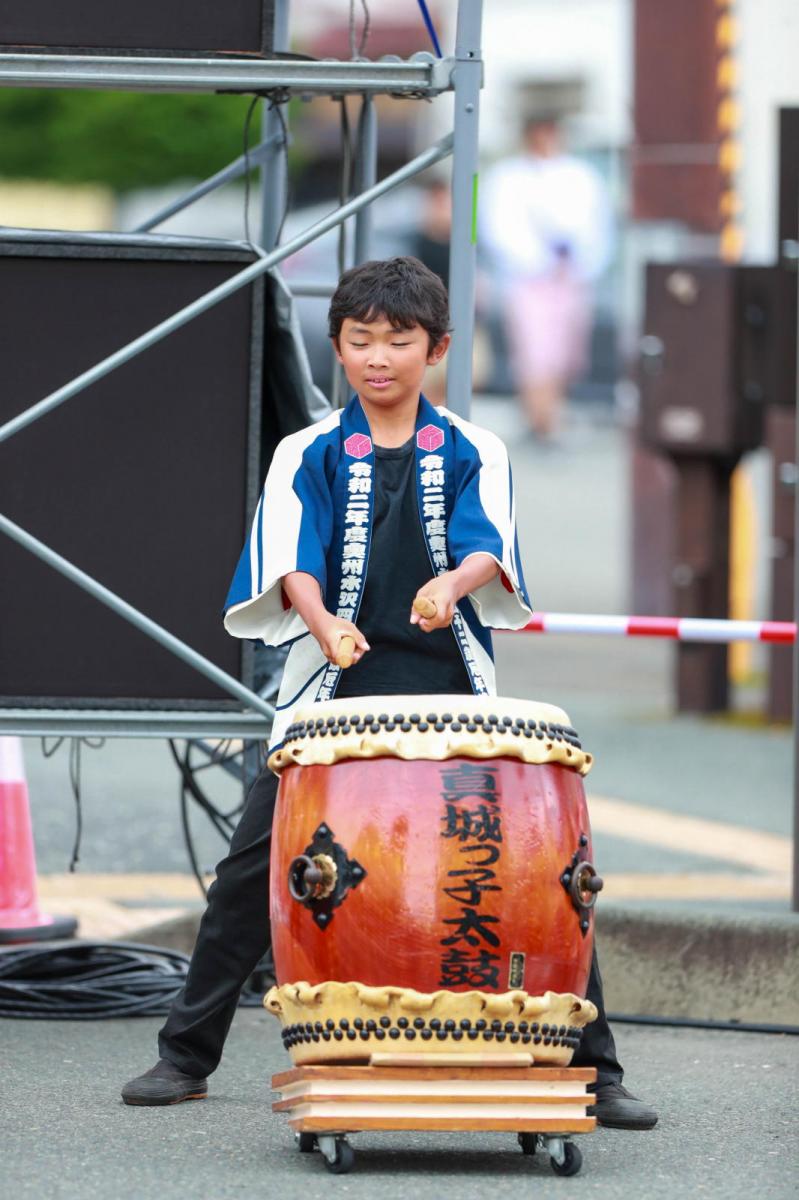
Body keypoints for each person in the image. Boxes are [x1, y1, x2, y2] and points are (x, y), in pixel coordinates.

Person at [121, 256, 656, 1131]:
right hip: (332, 692)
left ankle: (595, 1070)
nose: (378, 357)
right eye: (360, 339)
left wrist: (451, 586)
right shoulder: (308, 450)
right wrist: (323, 621)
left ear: (436, 349)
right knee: (251, 872)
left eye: (398, 340)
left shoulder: (476, 448)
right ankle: (185, 1056)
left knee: (536, 877)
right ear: (336, 347)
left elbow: (488, 548)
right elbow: (290, 554)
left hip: (455, 693)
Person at [481, 114, 612, 440]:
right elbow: (496, 228)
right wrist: (535, 259)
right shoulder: (508, 177)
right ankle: (540, 420)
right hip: (528, 278)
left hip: (572, 275)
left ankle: (551, 414)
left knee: (567, 354)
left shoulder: (580, 175)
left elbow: (598, 226)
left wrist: (581, 262)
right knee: (534, 352)